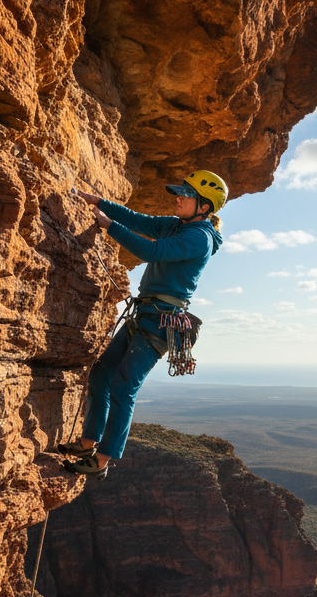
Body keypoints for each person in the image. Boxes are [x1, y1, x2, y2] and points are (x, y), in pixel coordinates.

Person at [59, 169, 227, 479]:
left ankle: (102, 461)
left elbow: (151, 250)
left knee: (124, 385)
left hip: (162, 322)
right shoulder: (178, 226)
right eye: (179, 193)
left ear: (204, 206)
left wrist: (108, 226)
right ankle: (87, 442)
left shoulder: (198, 238)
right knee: (101, 373)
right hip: (147, 314)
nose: (178, 199)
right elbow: (141, 222)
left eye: (186, 196)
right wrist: (99, 202)